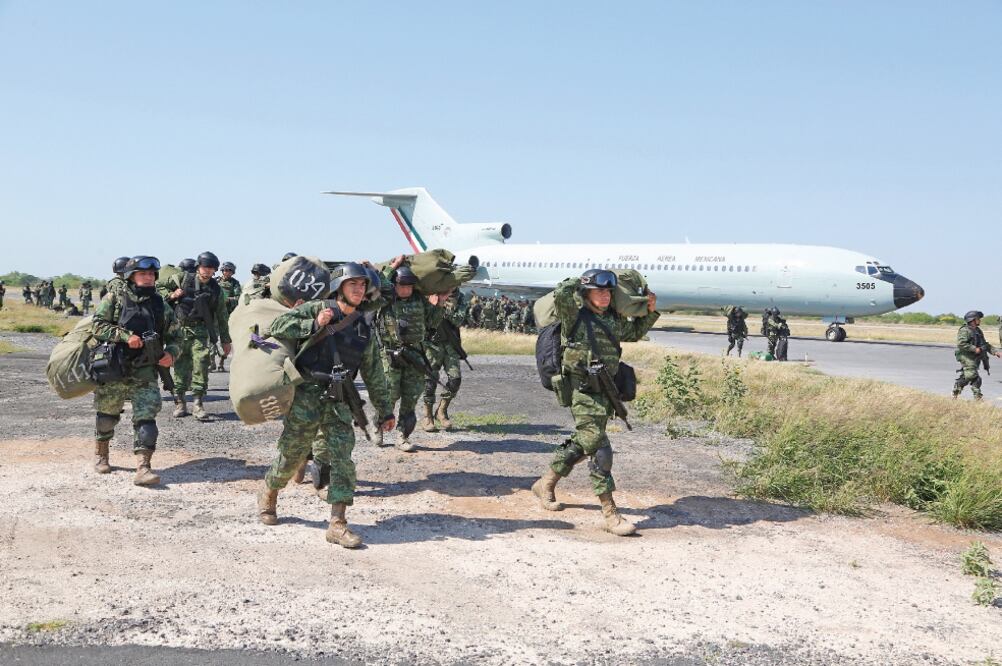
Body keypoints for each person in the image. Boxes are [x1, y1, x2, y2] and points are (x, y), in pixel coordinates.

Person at [257, 262, 395, 549]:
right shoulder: (318, 308)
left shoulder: (363, 328)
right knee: (292, 453)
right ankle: (269, 491)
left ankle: (337, 523)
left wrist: (385, 410)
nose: (359, 290)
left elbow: (374, 373)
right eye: (353, 284)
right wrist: (314, 323)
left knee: (342, 458)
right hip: (307, 394)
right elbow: (277, 326)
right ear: (339, 287)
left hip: (339, 399)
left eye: (362, 286)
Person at [530, 269, 660, 536]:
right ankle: (610, 514)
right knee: (600, 449)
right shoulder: (574, 315)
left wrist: (650, 311)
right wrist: (581, 280)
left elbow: (634, 332)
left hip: (606, 390)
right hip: (582, 390)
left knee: (585, 441)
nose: (604, 296)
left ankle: (546, 483)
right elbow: (564, 292)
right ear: (587, 292)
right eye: (598, 290)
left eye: (608, 292)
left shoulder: (612, 319)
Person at [89, 256, 178, 485]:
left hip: (145, 370)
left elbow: (177, 336)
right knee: (107, 417)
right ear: (131, 276)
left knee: (146, 420)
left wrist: (172, 353)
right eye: (142, 274)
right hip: (114, 367)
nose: (148, 278)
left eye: (151, 274)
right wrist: (126, 337)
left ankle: (144, 467)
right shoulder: (115, 298)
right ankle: (102, 455)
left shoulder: (161, 304)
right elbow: (97, 325)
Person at [375, 258, 440, 452]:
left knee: (410, 398)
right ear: (395, 285)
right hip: (390, 355)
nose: (406, 290)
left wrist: (439, 304)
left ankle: (402, 436)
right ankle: (378, 426)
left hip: (414, 355)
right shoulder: (386, 299)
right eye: (402, 286)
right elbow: (378, 280)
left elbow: (433, 322)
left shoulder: (419, 300)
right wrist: (393, 266)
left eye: (409, 286)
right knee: (390, 395)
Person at [159, 251, 232, 420]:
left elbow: (222, 316)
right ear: (199, 267)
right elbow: (157, 286)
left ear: (215, 271)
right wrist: (171, 295)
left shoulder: (216, 290)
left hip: (200, 331)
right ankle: (180, 402)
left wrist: (226, 341)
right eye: (204, 267)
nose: (207, 271)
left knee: (201, 362)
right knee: (180, 366)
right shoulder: (182, 279)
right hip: (179, 331)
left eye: (211, 268)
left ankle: (198, 403)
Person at [422, 289, 467, 431]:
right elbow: (425, 319)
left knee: (455, 380)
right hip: (432, 344)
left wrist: (441, 305)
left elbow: (458, 319)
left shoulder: (460, 298)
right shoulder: (430, 294)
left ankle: (441, 411)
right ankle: (427, 416)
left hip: (450, 345)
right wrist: (433, 304)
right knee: (429, 382)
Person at [953, 310, 1002, 400]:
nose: (980, 320)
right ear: (972, 320)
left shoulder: (978, 330)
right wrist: (974, 348)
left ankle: (957, 392)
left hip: (975, 357)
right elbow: (961, 343)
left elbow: (985, 344)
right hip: (966, 356)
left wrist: (996, 352)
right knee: (972, 375)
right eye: (978, 319)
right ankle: (977, 397)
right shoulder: (965, 330)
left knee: (971, 377)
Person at [211, 261, 241, 372]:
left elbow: (238, 298)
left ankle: (221, 362)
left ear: (232, 272)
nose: (226, 272)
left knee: (225, 339)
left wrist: (228, 300)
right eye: (224, 270)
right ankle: (211, 362)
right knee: (212, 337)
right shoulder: (215, 281)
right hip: (214, 314)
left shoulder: (235, 284)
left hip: (227, 314)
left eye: (228, 270)